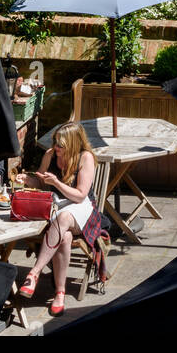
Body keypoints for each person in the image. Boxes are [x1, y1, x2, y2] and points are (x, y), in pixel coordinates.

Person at [18, 121, 106, 315]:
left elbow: (80, 195)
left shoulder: (86, 158)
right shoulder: (50, 155)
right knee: (64, 237)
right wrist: (28, 179)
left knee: (65, 217)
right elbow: (40, 184)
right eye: (56, 142)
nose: (56, 147)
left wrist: (56, 183)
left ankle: (34, 272)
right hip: (58, 207)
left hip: (82, 210)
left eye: (61, 144)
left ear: (74, 142)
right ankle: (60, 293)